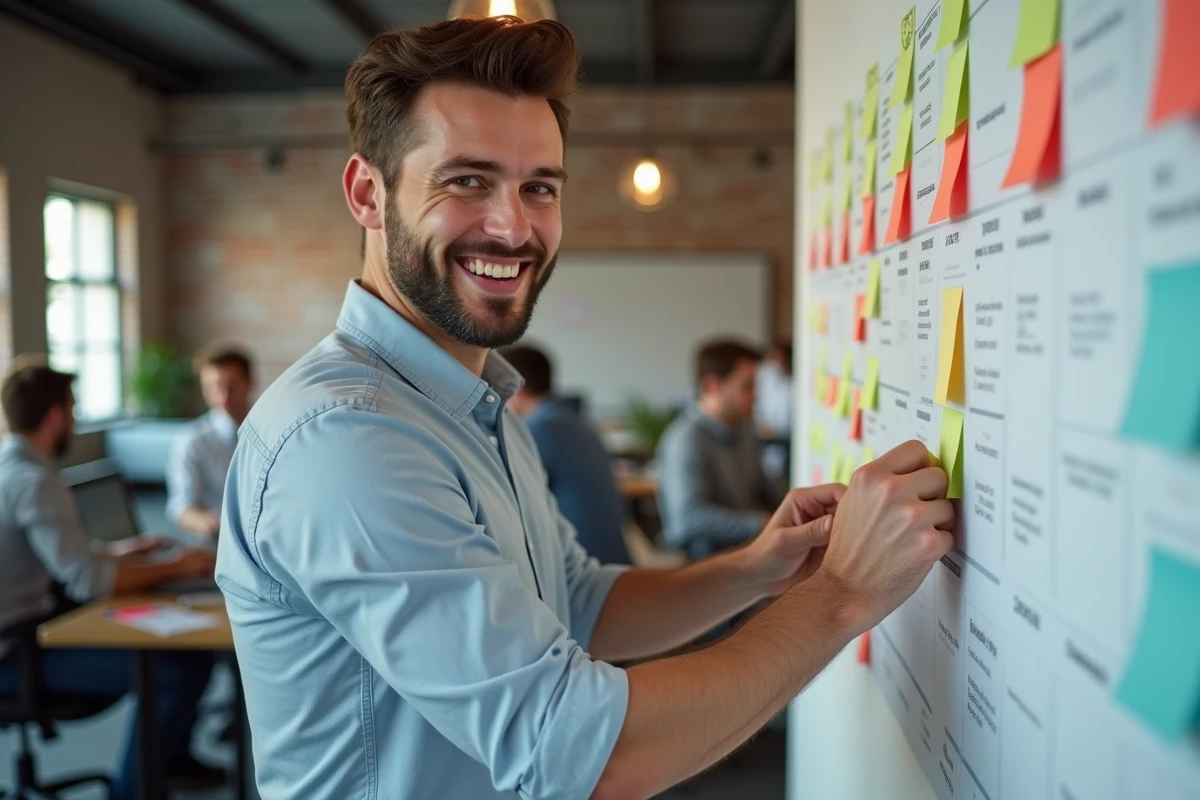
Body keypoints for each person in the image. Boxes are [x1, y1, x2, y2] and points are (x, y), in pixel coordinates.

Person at [215, 17, 955, 800]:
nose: (514, 227)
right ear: (369, 193)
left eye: (539, 187)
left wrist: (754, 570)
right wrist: (841, 595)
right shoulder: (348, 437)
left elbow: (580, 603)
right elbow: (580, 751)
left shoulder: (480, 406)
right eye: (467, 181)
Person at [0, 359, 223, 799]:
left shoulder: (12, 468)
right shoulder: (33, 480)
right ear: (55, 416)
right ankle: (131, 793)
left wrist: (121, 552)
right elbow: (89, 581)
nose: (76, 420)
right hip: (16, 655)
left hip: (25, 633)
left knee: (187, 658)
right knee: (175, 669)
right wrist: (179, 566)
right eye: (73, 410)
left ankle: (167, 766)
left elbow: (63, 557)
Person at [656, 339, 786, 559]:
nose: (756, 397)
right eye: (747, 387)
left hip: (750, 556)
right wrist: (762, 522)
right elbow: (687, 520)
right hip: (708, 567)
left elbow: (765, 488)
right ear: (712, 385)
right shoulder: (685, 440)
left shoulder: (745, 431)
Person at [502, 344, 631, 565]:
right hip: (612, 562)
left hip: (582, 567)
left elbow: (512, 505)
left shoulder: (539, 430)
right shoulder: (575, 421)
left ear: (516, 389)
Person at [167, 345, 254, 538]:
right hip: (217, 542)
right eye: (212, 388)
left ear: (250, 384)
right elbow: (181, 507)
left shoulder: (270, 432)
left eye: (232, 387)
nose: (223, 397)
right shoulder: (192, 441)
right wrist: (211, 523)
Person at [755, 340, 793, 482]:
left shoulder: (791, 385)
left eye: (778, 358)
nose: (774, 363)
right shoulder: (764, 376)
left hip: (784, 442)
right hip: (766, 443)